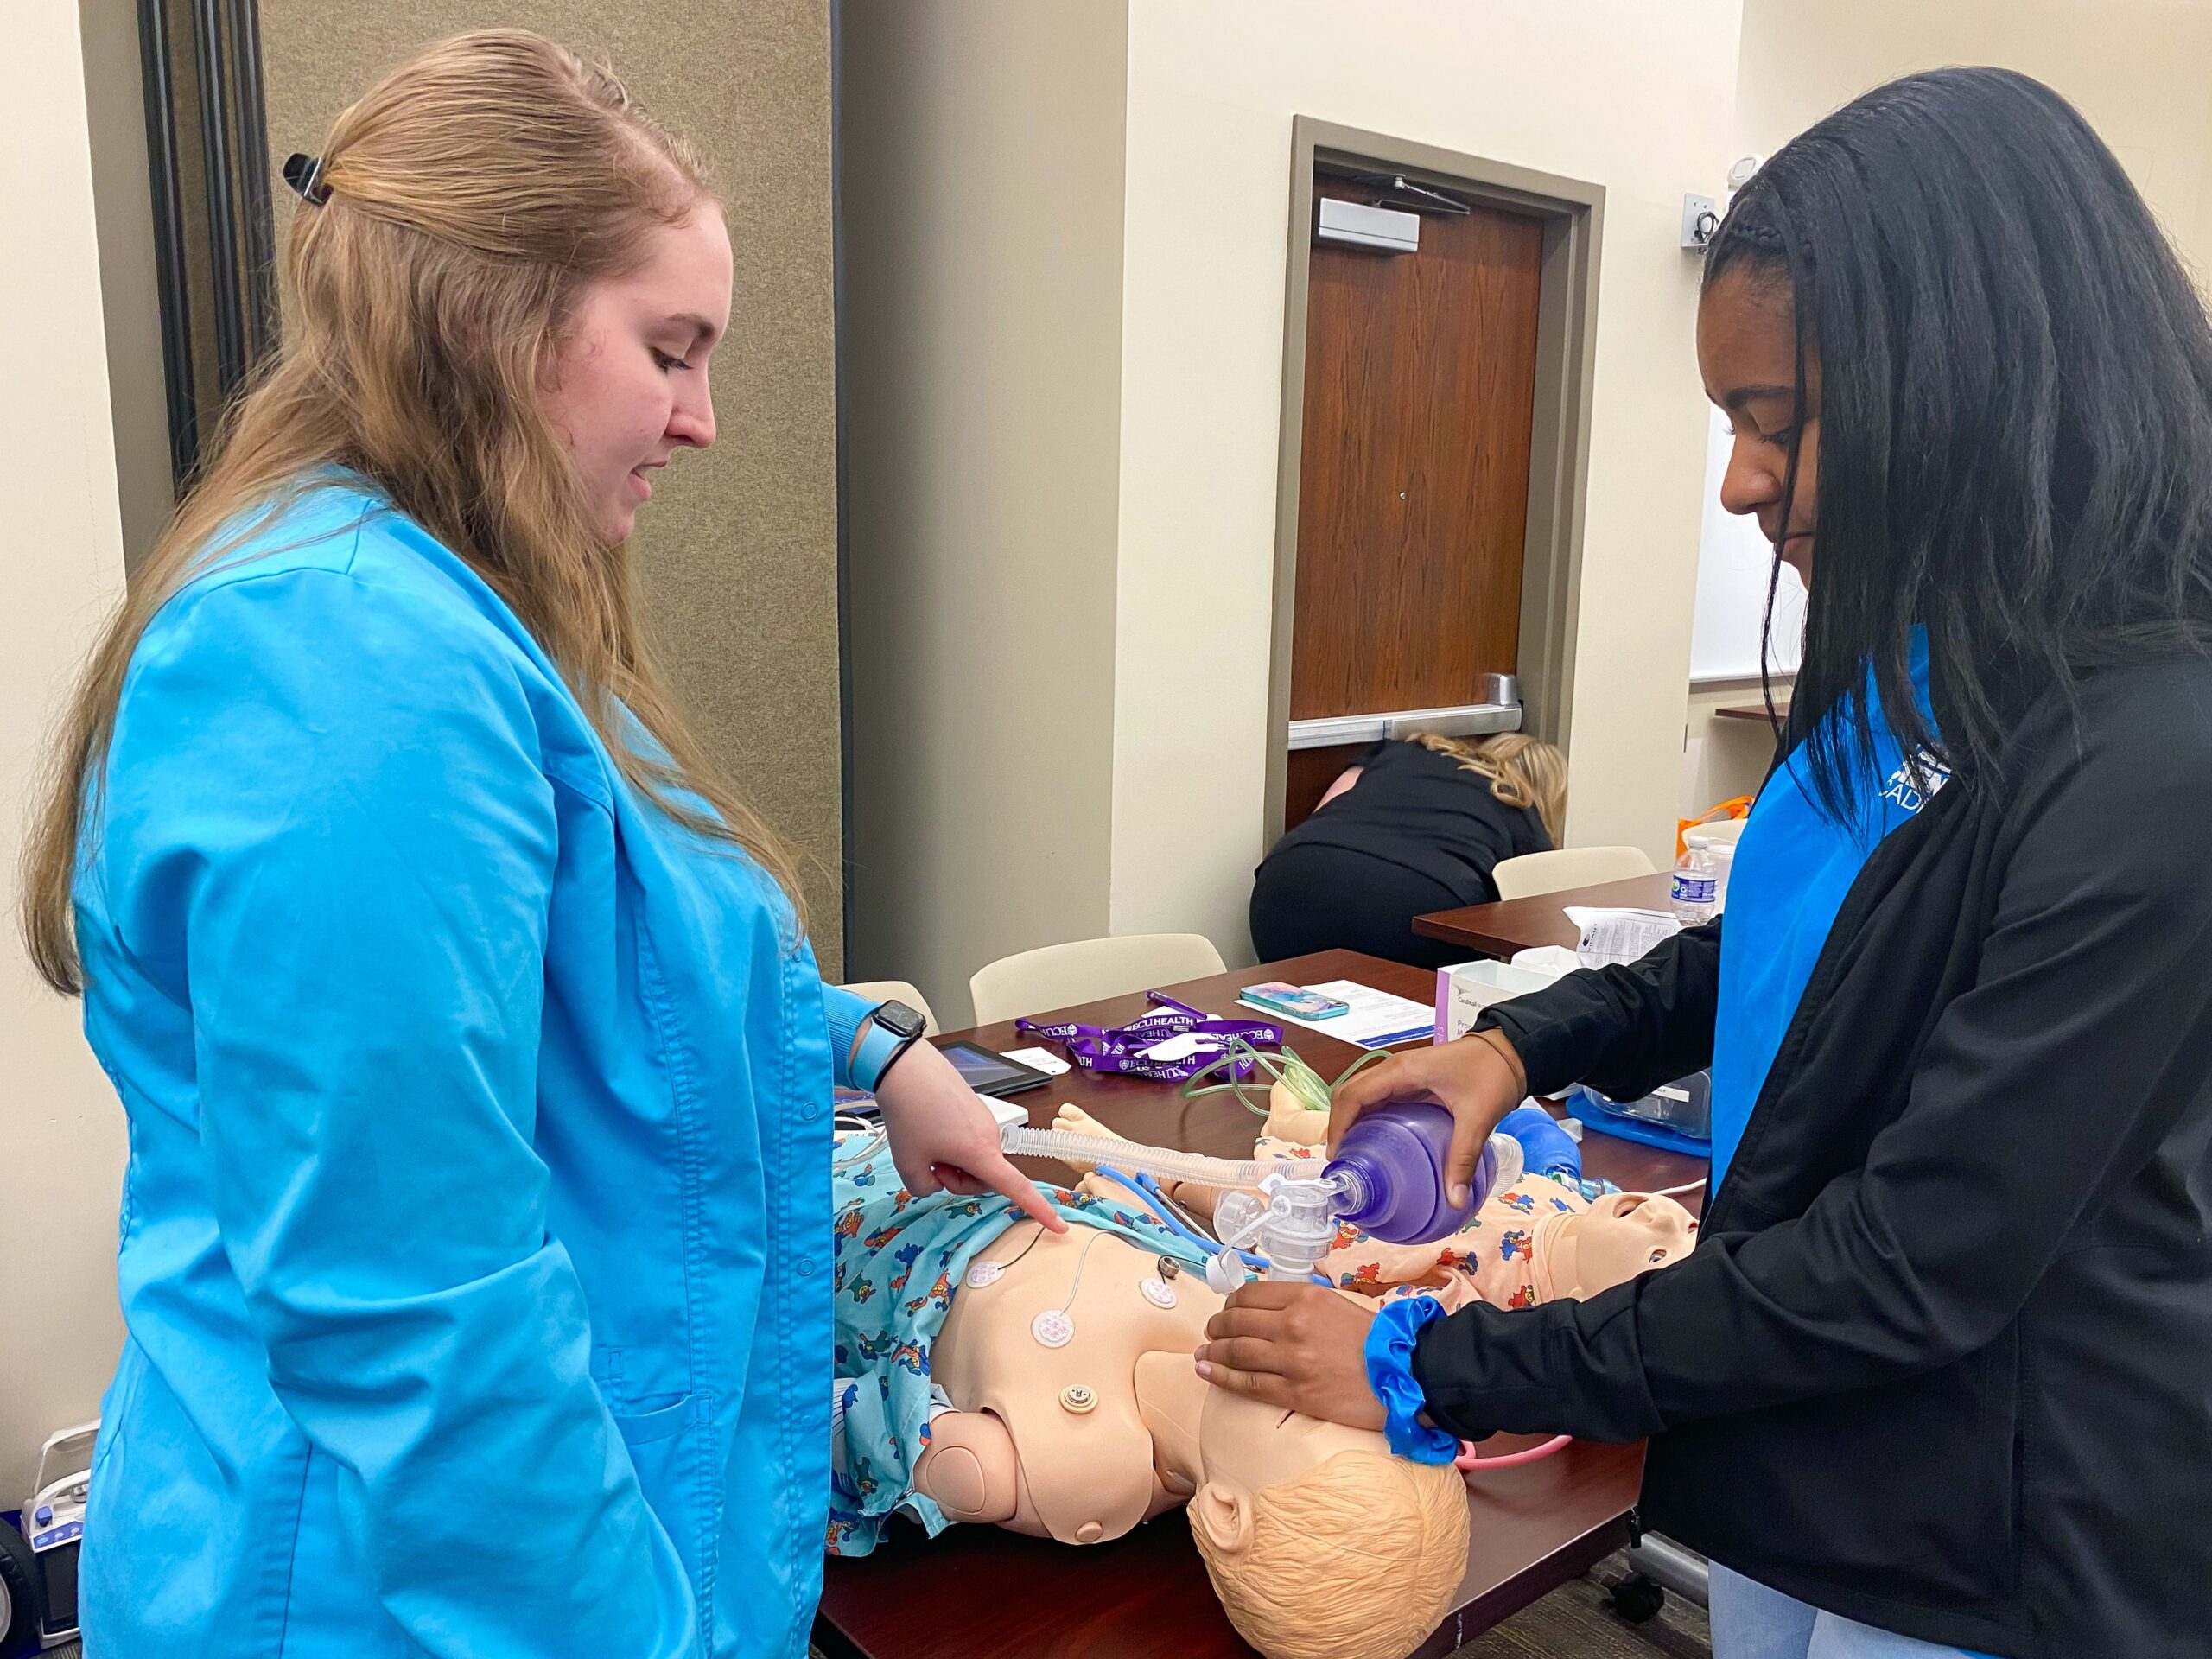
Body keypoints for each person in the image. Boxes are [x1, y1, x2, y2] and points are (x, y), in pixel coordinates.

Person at [19, 32, 1058, 1658]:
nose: (704, 421)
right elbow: (420, 1325)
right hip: (411, 1604)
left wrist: (875, 1047)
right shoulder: (344, 666)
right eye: (671, 347)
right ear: (493, 315)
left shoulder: (466, 617)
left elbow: (625, 941)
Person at [1192, 67, 2212, 1659]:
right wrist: (1519, 1049)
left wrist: (1429, 1364)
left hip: (1992, 1538)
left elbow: (1912, 1265)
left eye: (1776, 424)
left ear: (1974, 382)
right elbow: (1790, 957)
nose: (1738, 484)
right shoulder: (1934, 671)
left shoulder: (2162, 757)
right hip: (1794, 1442)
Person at [1249, 732, 1564, 968]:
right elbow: (1531, 932)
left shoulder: (1407, 751)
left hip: (1290, 880)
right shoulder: (1520, 805)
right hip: (1415, 907)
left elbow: (1326, 811)